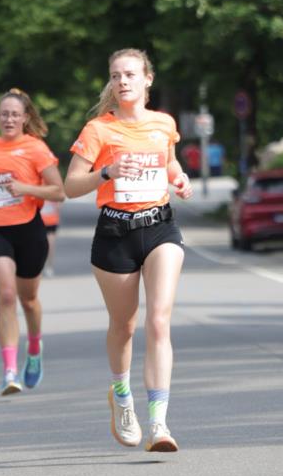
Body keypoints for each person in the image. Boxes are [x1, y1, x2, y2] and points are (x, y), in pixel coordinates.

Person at [65, 48, 193, 452]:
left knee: (159, 321)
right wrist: (106, 171)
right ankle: (122, 396)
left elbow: (168, 163)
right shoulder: (98, 130)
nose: (123, 81)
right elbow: (70, 187)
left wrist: (182, 179)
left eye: (131, 74)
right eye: (116, 75)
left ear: (147, 79)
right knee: (124, 327)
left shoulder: (163, 124)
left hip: (160, 227)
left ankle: (159, 424)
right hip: (115, 233)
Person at [0, 89, 64, 395]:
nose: (8, 119)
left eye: (14, 114)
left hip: (29, 230)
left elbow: (59, 191)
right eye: (3, 114)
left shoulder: (36, 149)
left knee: (28, 300)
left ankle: (34, 347)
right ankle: (10, 371)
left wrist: (25, 188)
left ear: (25, 118)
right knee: (7, 295)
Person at [40, 198, 61, 276]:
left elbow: (60, 199)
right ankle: (39, 267)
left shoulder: (54, 187)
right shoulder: (36, 187)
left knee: (50, 245)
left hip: (51, 221)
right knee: (39, 246)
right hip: (39, 221)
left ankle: (49, 266)